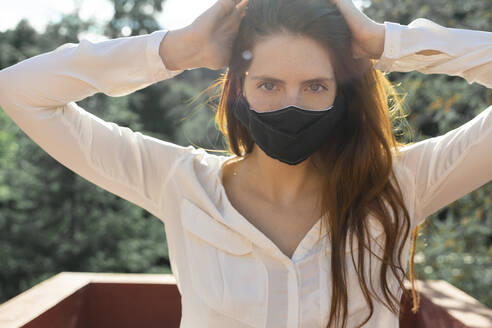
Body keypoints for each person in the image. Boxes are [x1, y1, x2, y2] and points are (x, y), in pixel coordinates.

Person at [0, 0, 490, 327]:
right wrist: (177, 50)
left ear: (343, 93)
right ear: (239, 90)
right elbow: (21, 92)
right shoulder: (180, 183)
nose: (290, 104)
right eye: (269, 85)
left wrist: (389, 43)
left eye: (315, 86)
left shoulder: (401, 184)